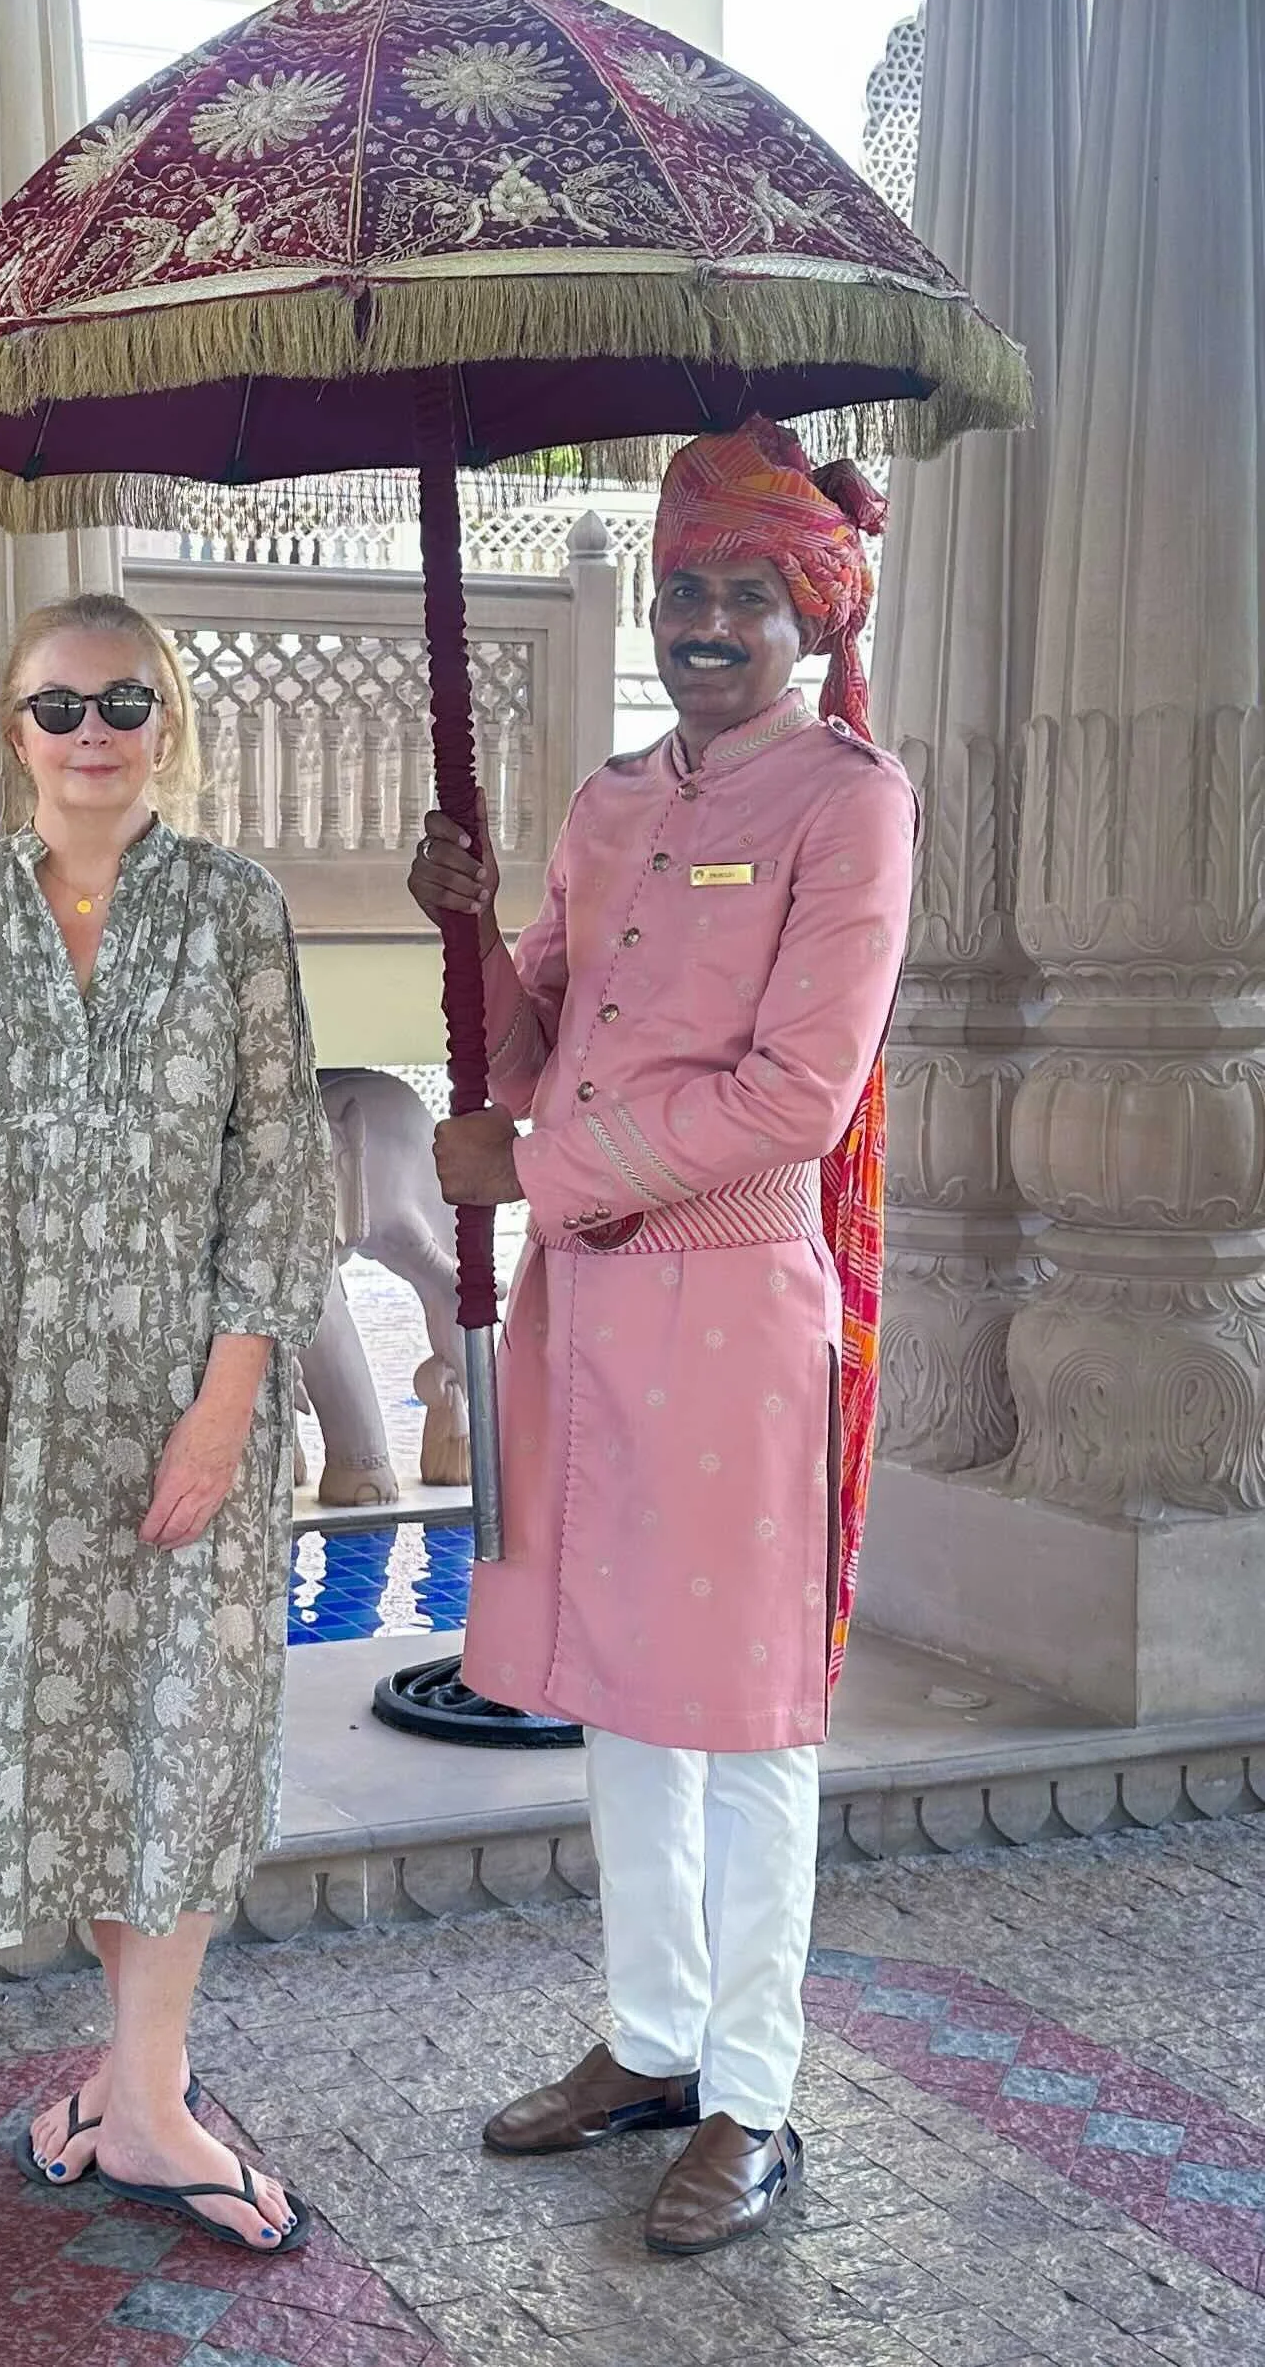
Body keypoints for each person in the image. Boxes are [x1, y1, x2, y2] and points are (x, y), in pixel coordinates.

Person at [409, 419, 914, 2256]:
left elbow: (797, 1094)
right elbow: (532, 1030)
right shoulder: (613, 801)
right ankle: (646, 2036)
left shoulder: (850, 802)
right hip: (590, 1305)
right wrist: (467, 931)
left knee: (751, 1713)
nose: (707, 621)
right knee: (624, 1680)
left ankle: (751, 2091)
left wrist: (533, 1160)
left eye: (744, 595)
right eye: (685, 587)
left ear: (803, 615)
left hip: (730, 1295)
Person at [0, 592, 334, 2257]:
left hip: (181, 1403)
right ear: (11, 730)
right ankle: (135, 2096)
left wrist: (230, 1397)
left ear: (167, 722)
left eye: (124, 700)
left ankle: (152, 2091)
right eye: (58, 706)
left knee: (172, 1733)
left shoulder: (236, 913)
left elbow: (279, 1164)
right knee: (65, 1741)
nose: (91, 730)